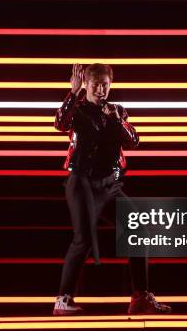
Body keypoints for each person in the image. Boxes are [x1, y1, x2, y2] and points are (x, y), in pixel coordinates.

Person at [52, 63, 172, 315]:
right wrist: (72, 93)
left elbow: (134, 141)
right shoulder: (77, 108)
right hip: (81, 184)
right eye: (95, 84)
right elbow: (60, 124)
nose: (100, 89)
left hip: (109, 185)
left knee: (138, 229)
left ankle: (140, 298)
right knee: (83, 239)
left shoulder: (116, 111)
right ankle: (63, 300)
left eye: (105, 84)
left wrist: (117, 120)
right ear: (86, 84)